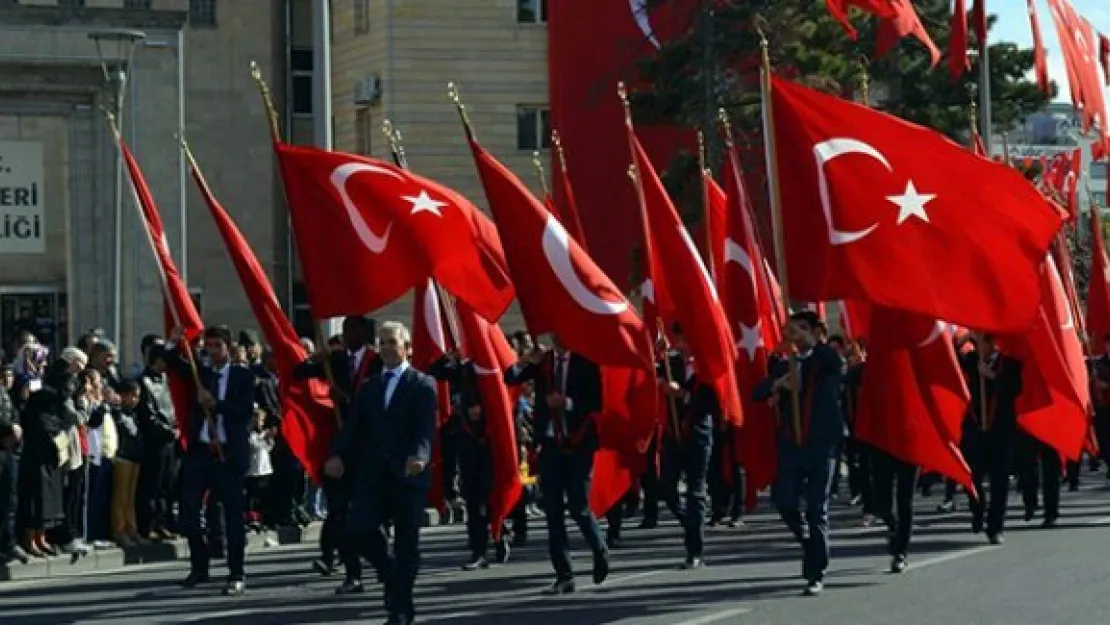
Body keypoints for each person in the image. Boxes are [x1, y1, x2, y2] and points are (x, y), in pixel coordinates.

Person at [324, 321, 436, 625]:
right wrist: (336, 454)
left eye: (392, 342)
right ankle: (391, 577)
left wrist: (420, 456)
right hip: (374, 475)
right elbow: (353, 427)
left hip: (407, 475)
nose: (386, 348)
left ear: (407, 348)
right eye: (382, 343)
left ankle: (401, 608)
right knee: (358, 530)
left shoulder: (422, 384)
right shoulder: (370, 387)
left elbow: (425, 429)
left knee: (406, 544)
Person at [504, 334, 609, 595]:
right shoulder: (544, 361)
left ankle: (599, 548)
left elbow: (596, 401)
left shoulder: (586, 362)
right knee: (552, 512)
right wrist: (527, 359)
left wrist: (567, 403)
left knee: (578, 506)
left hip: (578, 442)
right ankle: (564, 575)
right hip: (550, 444)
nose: (559, 337)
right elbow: (511, 376)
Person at [754, 310, 844, 596]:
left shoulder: (825, 360)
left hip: (820, 444)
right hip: (792, 445)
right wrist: (779, 385)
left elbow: (836, 365)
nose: (796, 335)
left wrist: (809, 340)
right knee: (783, 500)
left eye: (803, 329)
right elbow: (757, 392)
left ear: (817, 332)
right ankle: (806, 539)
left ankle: (815, 572)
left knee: (818, 509)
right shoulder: (784, 364)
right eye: (792, 329)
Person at [165, 325, 256, 596]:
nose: (213, 351)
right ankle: (199, 566)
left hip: (228, 452)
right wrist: (173, 343)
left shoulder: (243, 375)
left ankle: (236, 572)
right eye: (209, 345)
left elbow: (244, 412)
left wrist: (216, 404)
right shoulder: (200, 371)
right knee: (190, 509)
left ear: (228, 347)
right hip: (202, 451)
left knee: (231, 515)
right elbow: (173, 363)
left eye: (218, 345)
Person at [294, 314, 381, 593]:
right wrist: (314, 360)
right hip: (342, 449)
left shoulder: (377, 362)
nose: (346, 334)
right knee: (339, 511)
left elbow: (378, 402)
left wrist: (346, 399)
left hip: (369, 448)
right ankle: (351, 572)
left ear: (364, 332)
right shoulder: (336, 360)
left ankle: (383, 563)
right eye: (344, 329)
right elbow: (297, 373)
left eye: (352, 329)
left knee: (369, 513)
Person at [429, 350, 511, 570]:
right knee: (472, 497)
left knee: (489, 495)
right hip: (467, 441)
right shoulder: (461, 368)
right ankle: (478, 551)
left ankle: (499, 531)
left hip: (490, 441)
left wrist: (483, 409)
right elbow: (434, 370)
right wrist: (449, 357)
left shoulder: (490, 364)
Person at [961, 333, 1022, 544]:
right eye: (975, 343)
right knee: (972, 475)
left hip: (1001, 431)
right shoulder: (970, 361)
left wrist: (991, 376)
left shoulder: (1009, 364)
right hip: (976, 430)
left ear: (992, 343)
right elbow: (948, 357)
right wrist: (965, 337)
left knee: (999, 480)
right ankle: (978, 509)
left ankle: (995, 526)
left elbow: (1014, 389)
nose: (978, 347)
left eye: (982, 343)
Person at [136, 340, 179, 541]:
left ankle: (163, 522)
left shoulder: (166, 380)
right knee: (151, 485)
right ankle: (149, 524)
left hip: (170, 439)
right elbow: (148, 415)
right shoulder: (143, 381)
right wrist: (166, 430)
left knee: (166, 485)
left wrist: (176, 427)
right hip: (155, 441)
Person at [111, 380, 145, 548]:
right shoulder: (117, 413)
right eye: (132, 396)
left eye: (137, 397)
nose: (135, 400)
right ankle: (119, 529)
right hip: (122, 456)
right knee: (121, 495)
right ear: (122, 395)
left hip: (135, 456)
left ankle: (131, 527)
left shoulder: (134, 414)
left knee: (131, 496)